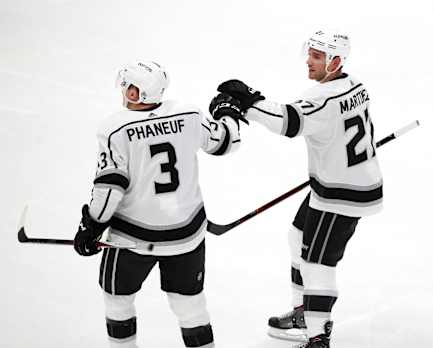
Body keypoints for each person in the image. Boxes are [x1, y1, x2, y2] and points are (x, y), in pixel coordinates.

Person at [211, 30, 383, 348]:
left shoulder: (323, 98)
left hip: (341, 194)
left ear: (336, 61)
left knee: (318, 264)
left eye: (317, 56)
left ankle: (317, 337)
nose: (309, 60)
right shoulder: (354, 84)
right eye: (311, 53)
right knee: (298, 237)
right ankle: (305, 311)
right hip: (340, 183)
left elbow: (289, 121)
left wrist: (248, 102)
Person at [73, 60, 246, 348]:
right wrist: (229, 115)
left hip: (132, 240)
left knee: (118, 301)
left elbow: (109, 189)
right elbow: (225, 142)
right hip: (186, 236)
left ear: (134, 93)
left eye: (127, 85)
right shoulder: (188, 114)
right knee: (191, 307)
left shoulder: (115, 128)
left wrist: (90, 227)